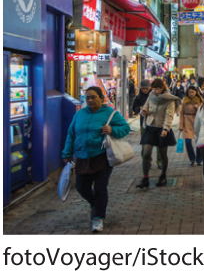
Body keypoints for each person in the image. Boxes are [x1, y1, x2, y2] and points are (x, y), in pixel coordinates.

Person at [62, 86, 130, 232]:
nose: (90, 100)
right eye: (88, 98)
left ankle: (98, 217)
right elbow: (71, 135)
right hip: (82, 157)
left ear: (101, 98)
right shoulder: (79, 114)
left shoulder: (110, 113)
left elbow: (125, 128)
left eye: (93, 97)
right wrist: (66, 153)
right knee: (81, 187)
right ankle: (95, 204)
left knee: (100, 188)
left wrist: (112, 130)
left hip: (102, 157)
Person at [136, 79, 181, 189]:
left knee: (163, 154)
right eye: (154, 89)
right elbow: (145, 107)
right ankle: (145, 177)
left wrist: (166, 128)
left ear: (162, 88)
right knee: (146, 153)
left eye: (157, 89)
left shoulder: (169, 99)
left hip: (162, 128)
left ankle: (163, 176)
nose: (155, 91)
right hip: (150, 127)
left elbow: (169, 115)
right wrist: (143, 111)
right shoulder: (151, 95)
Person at [179, 86, 204, 166]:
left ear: (196, 92)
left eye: (193, 92)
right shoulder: (184, 101)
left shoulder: (200, 101)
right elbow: (181, 113)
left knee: (198, 142)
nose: (191, 94)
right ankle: (192, 158)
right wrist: (181, 125)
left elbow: (203, 113)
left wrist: (198, 108)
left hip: (197, 122)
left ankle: (199, 159)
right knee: (187, 142)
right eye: (190, 92)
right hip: (187, 122)